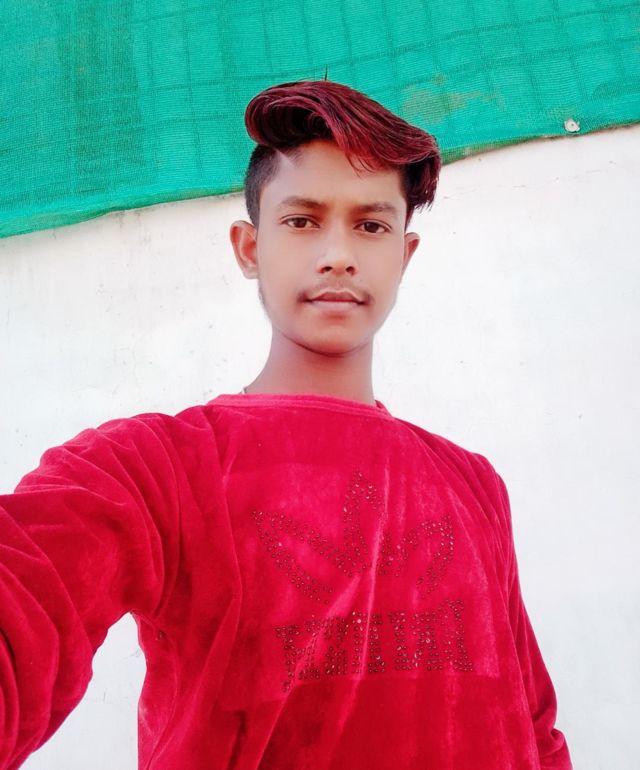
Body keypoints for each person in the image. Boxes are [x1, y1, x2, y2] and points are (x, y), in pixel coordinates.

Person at [0, 80, 572, 769]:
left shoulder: (474, 484)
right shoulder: (154, 468)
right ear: (249, 247)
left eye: (371, 225)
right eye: (302, 221)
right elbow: (25, 597)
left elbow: (535, 724)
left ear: (404, 255)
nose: (338, 254)